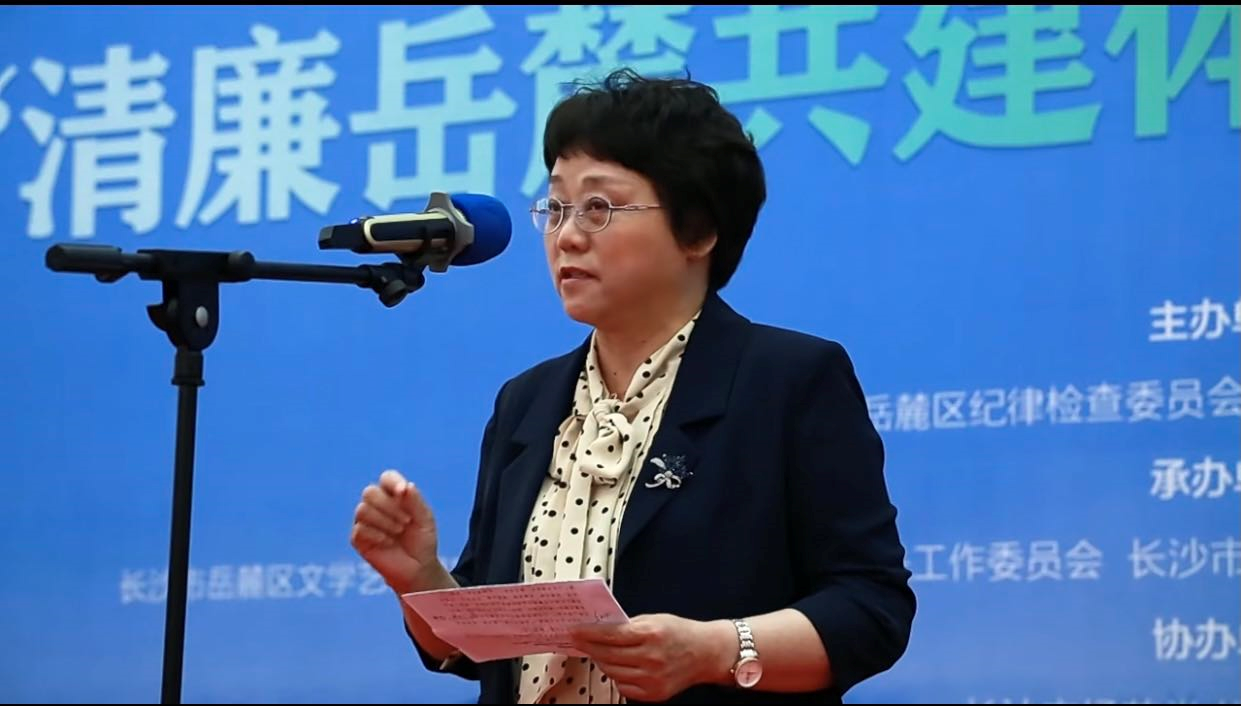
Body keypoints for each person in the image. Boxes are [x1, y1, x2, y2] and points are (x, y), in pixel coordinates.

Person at [351, 68, 915, 705]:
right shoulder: (526, 402)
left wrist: (715, 650)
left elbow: (870, 608)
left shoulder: (787, 380)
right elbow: (486, 648)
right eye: (555, 208)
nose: (566, 235)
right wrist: (421, 580)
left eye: (598, 208)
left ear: (698, 230)